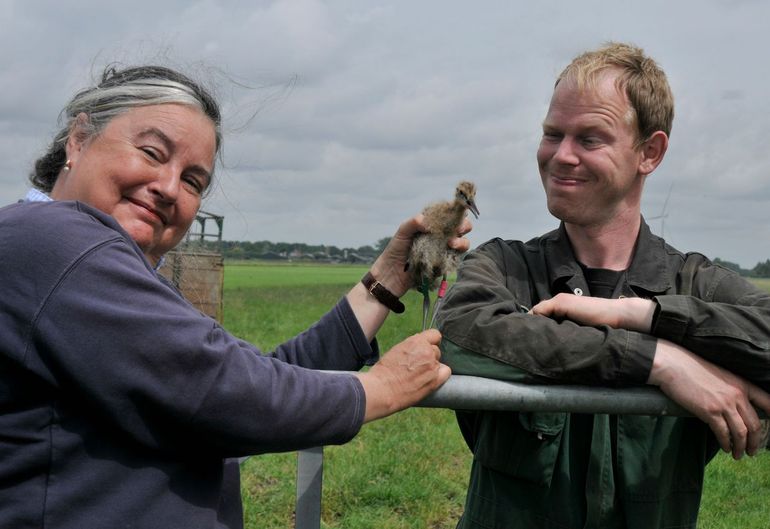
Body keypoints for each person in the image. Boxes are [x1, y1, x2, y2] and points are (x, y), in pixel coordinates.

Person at [0, 65, 469, 529]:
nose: (168, 188)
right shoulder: (54, 238)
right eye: (150, 152)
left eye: (192, 182)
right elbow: (225, 391)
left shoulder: (72, 268)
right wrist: (381, 388)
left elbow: (238, 389)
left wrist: (386, 280)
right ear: (78, 139)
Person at [436, 42, 770, 529]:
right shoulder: (505, 267)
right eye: (553, 134)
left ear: (649, 153)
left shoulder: (693, 283)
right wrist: (657, 360)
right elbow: (460, 331)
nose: (560, 155)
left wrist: (646, 317)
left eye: (590, 139)